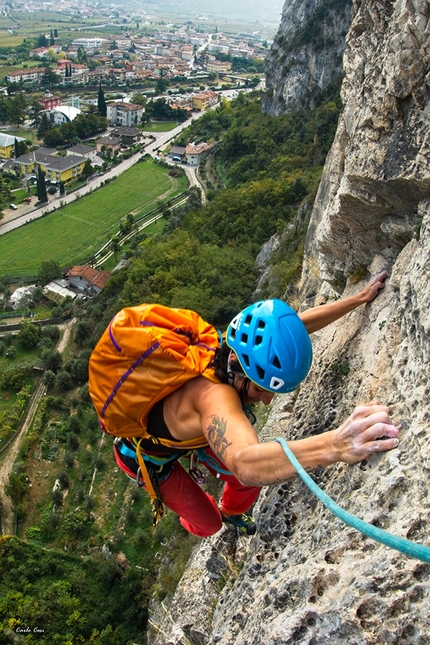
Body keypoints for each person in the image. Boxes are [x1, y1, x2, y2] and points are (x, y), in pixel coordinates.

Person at [113, 271, 400, 537]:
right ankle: (209, 514)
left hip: (191, 432)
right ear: (238, 370)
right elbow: (244, 463)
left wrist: (358, 299)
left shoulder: (227, 346)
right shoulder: (214, 395)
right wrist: (337, 445)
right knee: (210, 524)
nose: (266, 399)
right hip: (148, 459)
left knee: (243, 487)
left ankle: (232, 511)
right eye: (260, 388)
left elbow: (295, 329)